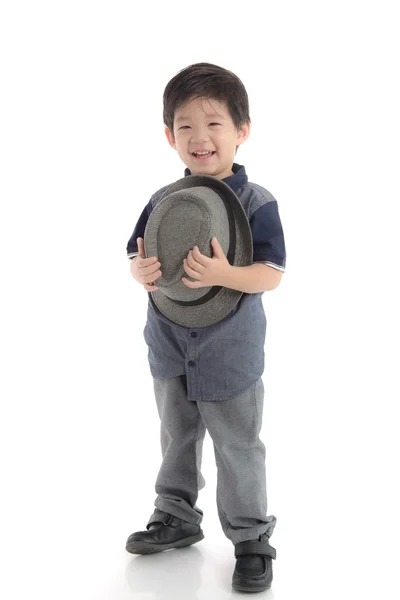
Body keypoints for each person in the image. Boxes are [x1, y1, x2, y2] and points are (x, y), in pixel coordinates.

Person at [125, 62, 286, 593]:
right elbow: (137, 254)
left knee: (237, 443)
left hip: (229, 351)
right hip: (169, 341)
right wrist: (142, 272)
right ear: (170, 136)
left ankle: (251, 537)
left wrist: (225, 275)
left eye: (214, 123)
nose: (200, 137)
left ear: (241, 131)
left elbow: (270, 274)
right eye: (186, 126)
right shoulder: (163, 200)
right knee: (176, 433)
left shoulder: (256, 202)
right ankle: (175, 515)